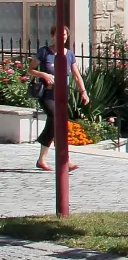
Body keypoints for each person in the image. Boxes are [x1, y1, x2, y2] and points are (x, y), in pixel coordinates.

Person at [31, 25, 87, 173]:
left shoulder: (69, 55)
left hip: (62, 95)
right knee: (56, 121)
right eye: (59, 35)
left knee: (53, 126)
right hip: (47, 95)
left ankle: (41, 159)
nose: (62, 37)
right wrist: (44, 75)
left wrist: (83, 92)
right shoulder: (44, 52)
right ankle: (65, 160)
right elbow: (29, 70)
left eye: (64, 35)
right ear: (52, 36)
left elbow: (76, 75)